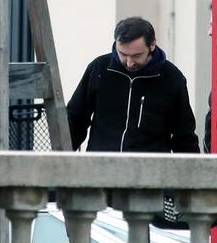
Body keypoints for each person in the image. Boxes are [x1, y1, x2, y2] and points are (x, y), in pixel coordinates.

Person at [66, 16, 200, 153]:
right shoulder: (99, 69)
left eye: (137, 55)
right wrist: (61, 159)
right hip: (101, 166)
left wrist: (192, 172)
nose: (129, 62)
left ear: (152, 45)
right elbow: (75, 119)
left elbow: (184, 134)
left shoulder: (171, 77)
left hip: (151, 170)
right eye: (123, 54)